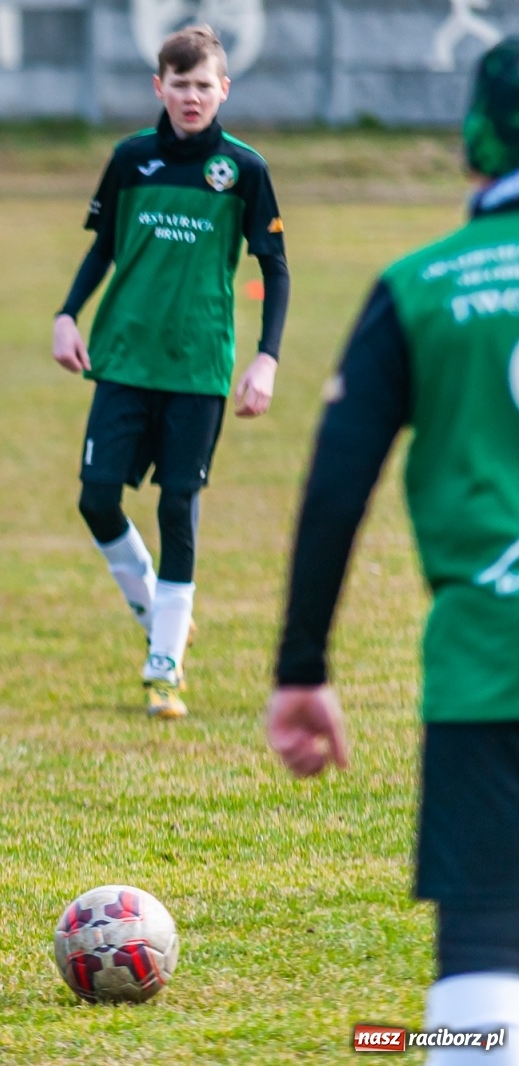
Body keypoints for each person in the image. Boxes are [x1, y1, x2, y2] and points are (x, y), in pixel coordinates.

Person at [267, 39, 519, 1063]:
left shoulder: (423, 287)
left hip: (489, 666)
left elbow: (336, 487)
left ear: (476, 136)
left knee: (484, 957)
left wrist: (301, 669)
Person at [51, 25, 290, 719]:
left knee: (177, 507)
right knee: (97, 499)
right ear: (159, 87)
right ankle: (161, 611)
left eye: (203, 85)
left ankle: (164, 664)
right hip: (124, 358)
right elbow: (102, 248)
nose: (192, 97)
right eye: (179, 85)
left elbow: (275, 270)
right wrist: (67, 314)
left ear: (224, 89)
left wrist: (266, 359)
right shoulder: (131, 159)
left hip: (198, 367)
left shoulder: (245, 170)